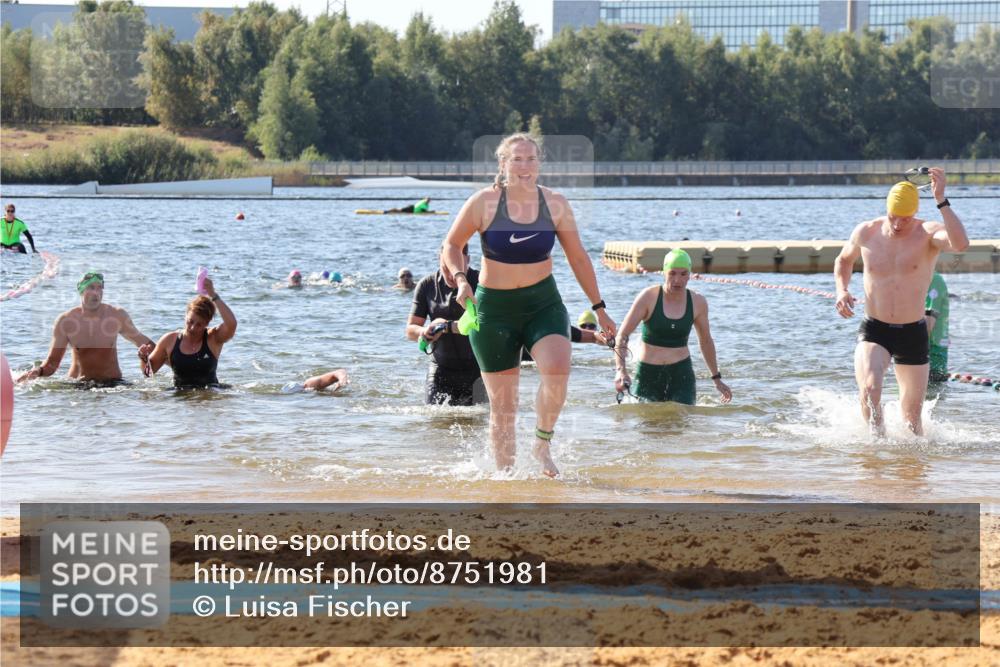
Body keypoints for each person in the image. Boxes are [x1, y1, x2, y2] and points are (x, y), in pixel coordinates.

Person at [442, 132, 616, 478]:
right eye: (517, 159)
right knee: (503, 408)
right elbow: (451, 244)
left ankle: (542, 443)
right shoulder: (484, 202)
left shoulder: (555, 204)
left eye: (531, 159)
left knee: (557, 370)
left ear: (540, 164)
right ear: (503, 164)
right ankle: (506, 480)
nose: (524, 166)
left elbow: (579, 258)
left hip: (542, 303)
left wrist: (599, 307)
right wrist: (462, 281)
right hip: (493, 311)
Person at [834, 168, 968, 436]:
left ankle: (909, 474)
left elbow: (961, 244)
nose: (897, 225)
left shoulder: (928, 233)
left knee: (912, 419)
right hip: (875, 328)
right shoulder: (867, 232)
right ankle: (875, 451)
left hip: (912, 332)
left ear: (915, 214)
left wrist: (941, 199)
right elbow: (844, 260)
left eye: (905, 219)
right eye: (893, 217)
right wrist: (842, 290)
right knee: (870, 390)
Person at [614, 249, 732, 405]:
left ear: (690, 274)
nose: (677, 280)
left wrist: (717, 379)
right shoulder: (648, 297)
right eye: (672, 273)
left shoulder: (698, 302)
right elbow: (622, 336)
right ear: (664, 272)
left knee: (682, 425)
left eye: (683, 274)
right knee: (647, 426)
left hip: (681, 375)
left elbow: (706, 341)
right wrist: (621, 370)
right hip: (648, 374)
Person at [16, 272, 155, 385]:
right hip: (78, 385)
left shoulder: (117, 316)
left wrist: (160, 357)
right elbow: (52, 363)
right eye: (91, 287)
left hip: (114, 384)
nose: (96, 292)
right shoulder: (66, 321)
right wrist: (38, 372)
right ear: (81, 290)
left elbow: (149, 345)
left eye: (100, 287)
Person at [406, 244, 485, 406]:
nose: (450, 275)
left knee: (477, 421)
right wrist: (424, 331)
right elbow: (410, 330)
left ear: (468, 260)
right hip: (440, 368)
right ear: (439, 260)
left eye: (455, 268)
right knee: (435, 421)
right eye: (445, 268)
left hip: (477, 370)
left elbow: (486, 326)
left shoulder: (480, 283)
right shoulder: (427, 285)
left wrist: (445, 326)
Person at [145, 277, 236, 388]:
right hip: (180, 397)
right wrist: (143, 357)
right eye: (190, 321)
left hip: (209, 396)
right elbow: (148, 372)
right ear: (185, 316)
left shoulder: (213, 338)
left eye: (199, 324)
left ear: (207, 323)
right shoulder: (169, 340)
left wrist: (213, 295)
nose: (192, 328)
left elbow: (231, 324)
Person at [925, 272, 950, 383]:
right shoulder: (914, 278)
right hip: (919, 350)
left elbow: (929, 322)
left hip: (933, 351)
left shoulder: (933, 279)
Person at [282, 368, 350, 393]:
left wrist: (342, 380)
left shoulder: (311, 384)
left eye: (302, 391)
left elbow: (340, 371)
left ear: (304, 387)